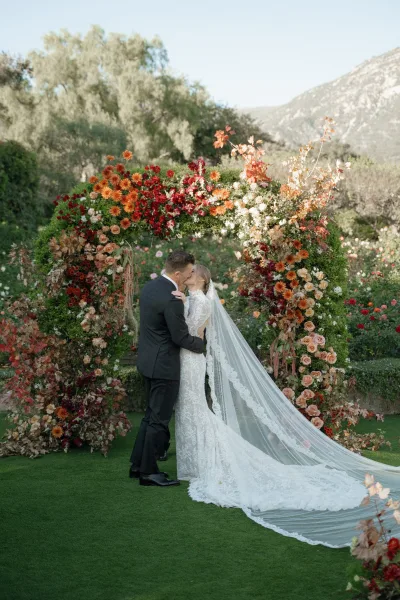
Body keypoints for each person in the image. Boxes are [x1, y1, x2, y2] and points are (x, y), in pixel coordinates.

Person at [171, 264, 400, 548]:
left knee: (195, 408)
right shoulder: (192, 298)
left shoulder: (202, 300)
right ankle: (196, 459)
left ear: (202, 279)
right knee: (190, 409)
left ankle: (203, 460)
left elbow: (193, 331)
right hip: (186, 357)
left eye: (192, 273)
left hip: (191, 358)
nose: (187, 275)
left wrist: (180, 307)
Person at [129, 250, 204, 487]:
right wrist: (204, 345)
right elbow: (181, 338)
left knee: (150, 415)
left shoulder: (151, 287)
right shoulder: (172, 298)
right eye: (191, 271)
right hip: (164, 366)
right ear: (179, 272)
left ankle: (137, 465)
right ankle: (149, 472)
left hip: (147, 361)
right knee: (159, 420)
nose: (193, 274)